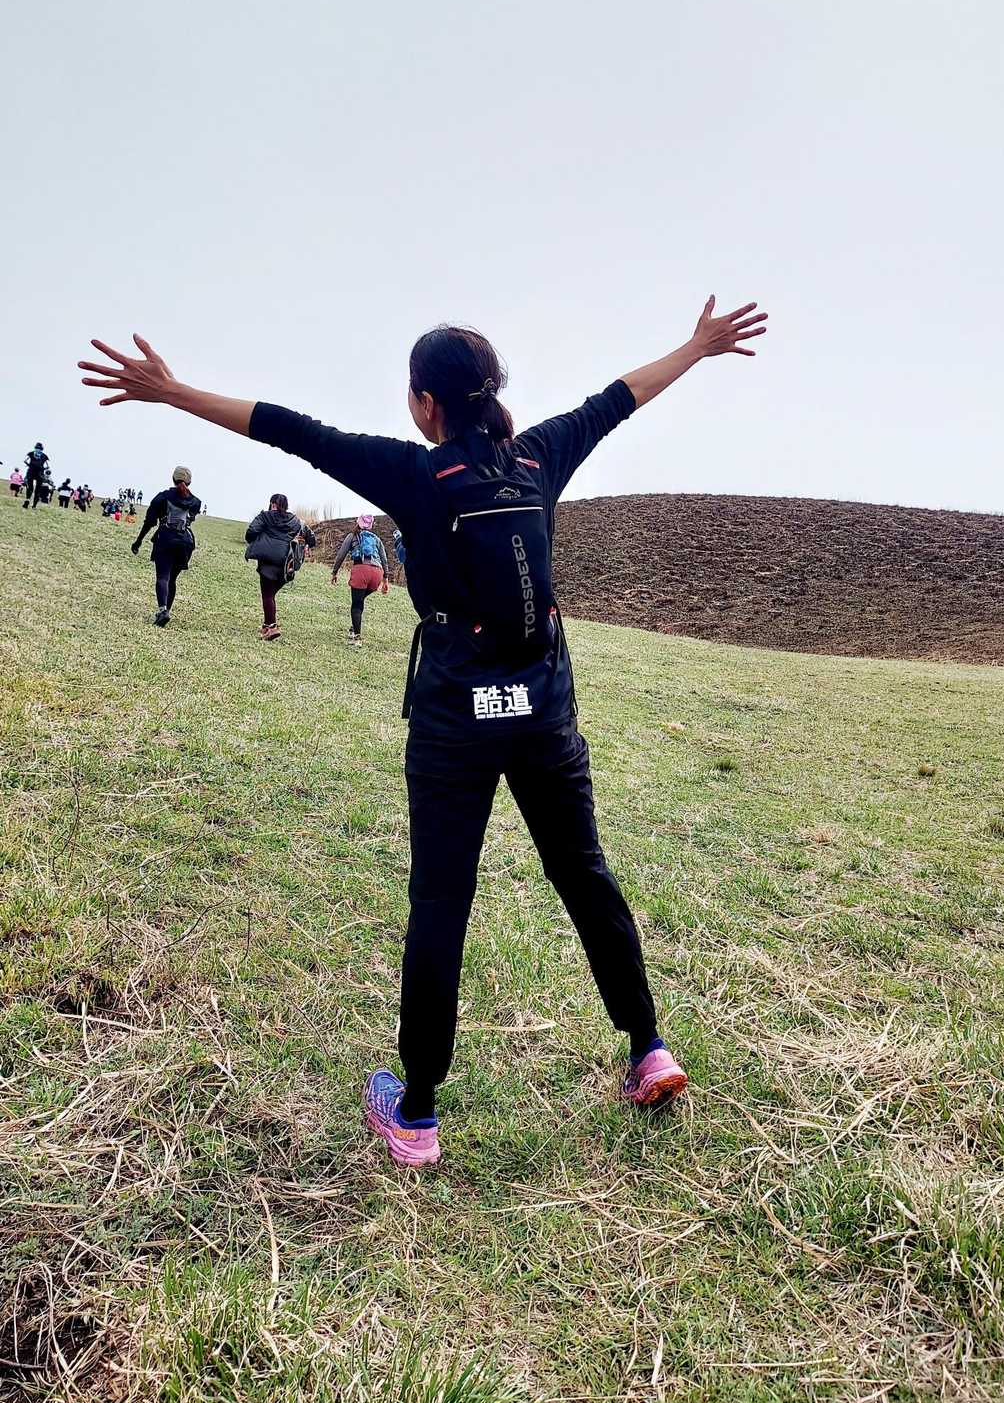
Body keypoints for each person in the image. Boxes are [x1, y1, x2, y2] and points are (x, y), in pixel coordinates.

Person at [78, 299, 767, 1166]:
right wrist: (698, 347)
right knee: (584, 874)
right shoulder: (539, 456)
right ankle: (648, 1048)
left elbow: (287, 428)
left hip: (455, 717)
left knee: (442, 900)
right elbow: (620, 396)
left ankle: (417, 1113)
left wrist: (173, 392)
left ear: (426, 403)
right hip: (544, 707)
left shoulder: (412, 473)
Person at [130, 465, 202, 625]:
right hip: (185, 542)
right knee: (172, 579)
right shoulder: (196, 502)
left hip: (165, 538)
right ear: (189, 482)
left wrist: (139, 540)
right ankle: (166, 611)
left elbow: (149, 522)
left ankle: (162, 611)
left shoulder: (162, 497)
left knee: (163, 576)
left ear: (173, 479)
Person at [244, 492, 316, 640]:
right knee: (270, 595)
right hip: (286, 564)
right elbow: (312, 539)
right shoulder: (296, 521)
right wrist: (304, 544)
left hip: (267, 561)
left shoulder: (265, 516)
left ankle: (272, 627)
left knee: (268, 595)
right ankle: (267, 625)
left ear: (273, 504)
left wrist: (259, 540)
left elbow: (250, 533)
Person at [331, 514, 389, 644]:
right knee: (360, 599)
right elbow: (384, 559)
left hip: (361, 570)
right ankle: (354, 627)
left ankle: (356, 638)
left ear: (358, 523)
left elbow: (341, 555)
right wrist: (385, 579)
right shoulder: (376, 539)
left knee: (356, 604)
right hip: (377, 573)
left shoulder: (352, 536)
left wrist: (334, 572)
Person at [23, 443, 49, 509]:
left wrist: (30, 465)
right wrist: (43, 468)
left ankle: (27, 501)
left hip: (31, 472)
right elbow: (47, 466)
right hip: (40, 473)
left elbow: (25, 460)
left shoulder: (31, 453)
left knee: (30, 488)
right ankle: (34, 506)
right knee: (37, 490)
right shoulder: (44, 456)